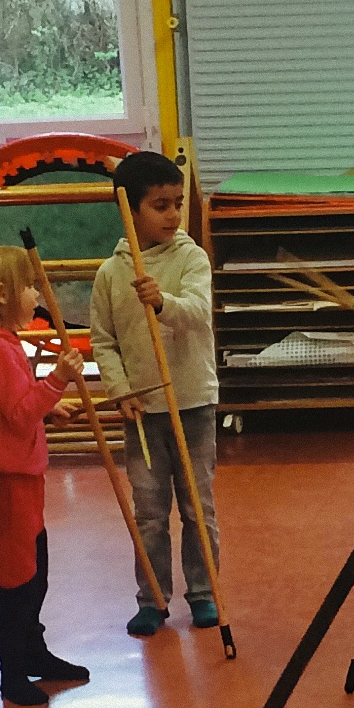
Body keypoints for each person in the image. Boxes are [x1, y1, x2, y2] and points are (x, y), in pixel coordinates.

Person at [0, 243, 90, 706]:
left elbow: (15, 408)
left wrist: (50, 406)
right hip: (6, 481)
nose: (36, 294)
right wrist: (58, 381)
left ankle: (31, 651)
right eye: (30, 286)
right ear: (3, 293)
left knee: (33, 569)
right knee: (16, 578)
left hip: (15, 476)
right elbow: (21, 413)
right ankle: (12, 670)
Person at [90, 151, 221, 637]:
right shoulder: (110, 273)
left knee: (197, 507)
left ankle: (204, 593)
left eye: (177, 203)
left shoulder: (192, 257)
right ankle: (153, 599)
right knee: (148, 511)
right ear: (129, 209)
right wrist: (119, 390)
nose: (173, 214)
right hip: (142, 411)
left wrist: (162, 302)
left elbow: (197, 313)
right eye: (160, 205)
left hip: (192, 403)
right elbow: (103, 341)